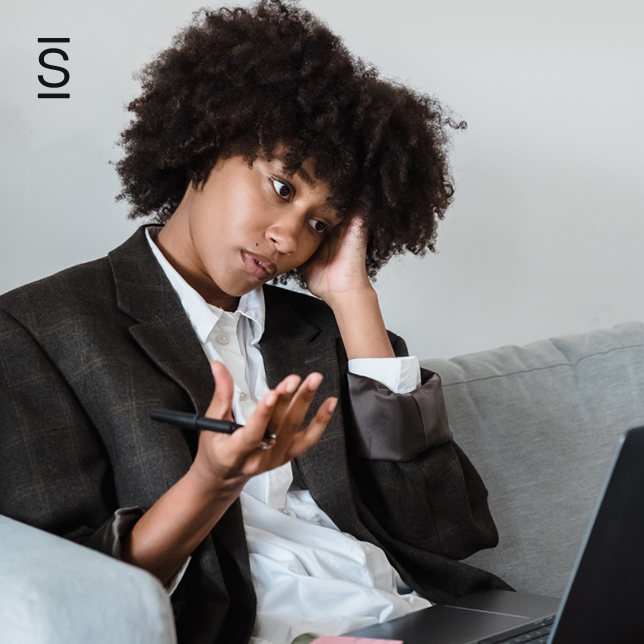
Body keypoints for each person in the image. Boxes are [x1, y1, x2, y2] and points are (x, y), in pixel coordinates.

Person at [0, 1, 510, 643]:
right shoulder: (37, 331)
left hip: (419, 620)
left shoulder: (320, 332)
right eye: (283, 189)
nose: (287, 238)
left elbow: (447, 533)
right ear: (206, 144)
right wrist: (215, 480)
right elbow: (73, 596)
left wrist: (353, 298)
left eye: (319, 224)